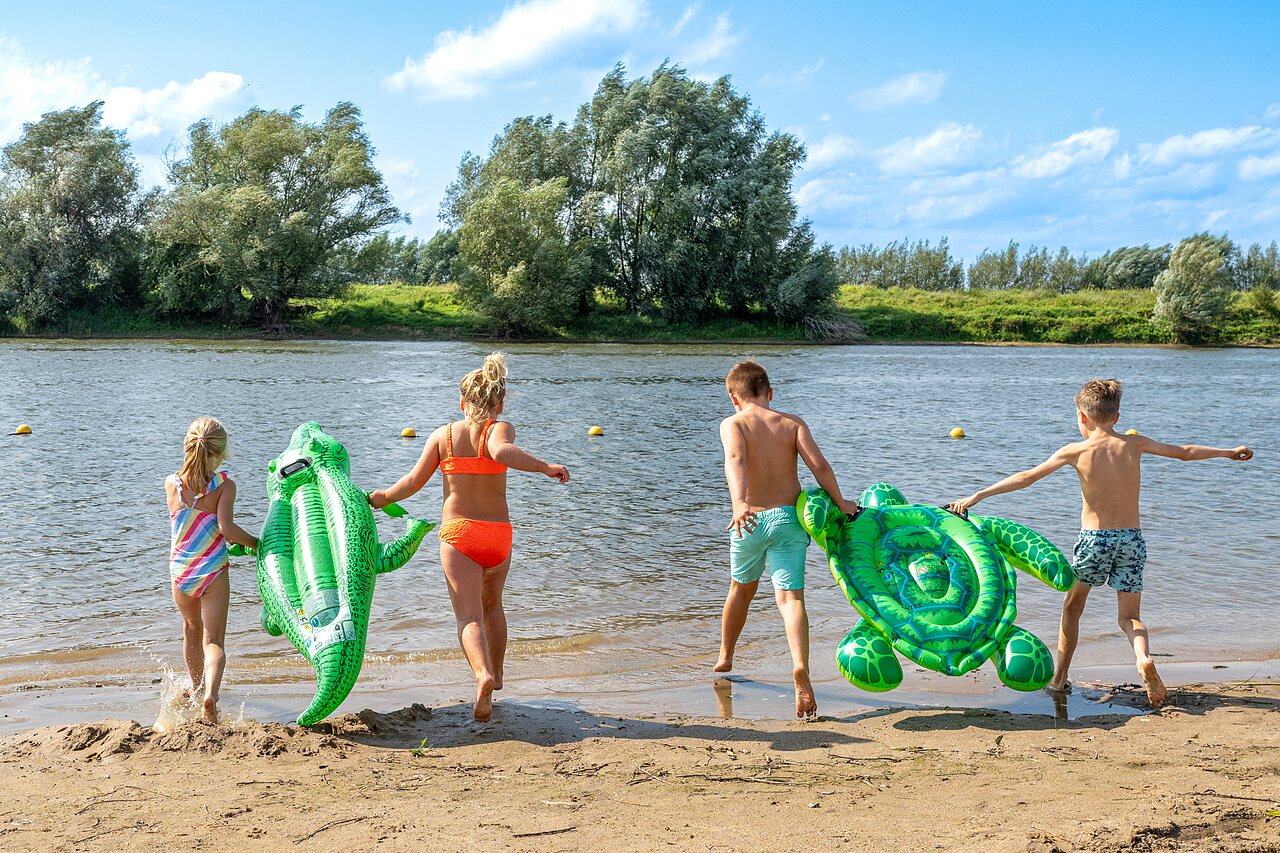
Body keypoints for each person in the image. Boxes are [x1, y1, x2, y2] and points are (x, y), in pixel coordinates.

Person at [949, 379, 1252, 707]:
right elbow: (1185, 453)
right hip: (1131, 539)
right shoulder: (1133, 445)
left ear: (1081, 417)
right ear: (1117, 417)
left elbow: (1027, 477)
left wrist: (978, 495)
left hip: (1095, 541)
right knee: (1129, 618)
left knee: (1073, 608)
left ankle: (1059, 679)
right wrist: (1228, 452)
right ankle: (1143, 658)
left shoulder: (1076, 451)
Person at [369, 353, 569, 722]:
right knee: (493, 607)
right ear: (500, 403)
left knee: (468, 617)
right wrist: (543, 466)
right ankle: (498, 675)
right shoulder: (499, 427)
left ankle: (482, 675)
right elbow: (500, 451)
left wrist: (379, 498)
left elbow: (412, 483)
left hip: (459, 535)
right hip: (497, 536)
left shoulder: (443, 436)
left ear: (462, 402)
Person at [713, 360, 860, 719]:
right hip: (788, 519)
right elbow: (819, 466)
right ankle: (799, 667)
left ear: (733, 397)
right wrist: (841, 503)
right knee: (790, 598)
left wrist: (739, 504)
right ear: (770, 393)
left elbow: (735, 460)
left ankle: (726, 656)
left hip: (749, 518)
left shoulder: (732, 423)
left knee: (740, 589)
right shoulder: (791, 423)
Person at [165, 417, 258, 724]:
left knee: (190, 631)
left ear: (187, 446)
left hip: (181, 572)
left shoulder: (172, 484)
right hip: (213, 572)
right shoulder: (225, 486)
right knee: (213, 640)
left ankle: (196, 688)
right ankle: (211, 696)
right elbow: (226, 528)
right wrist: (255, 543)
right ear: (220, 453)